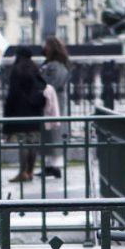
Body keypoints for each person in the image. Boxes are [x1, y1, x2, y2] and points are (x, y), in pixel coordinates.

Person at [2, 49, 51, 184]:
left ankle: (22, 172)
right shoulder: (35, 69)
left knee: (23, 142)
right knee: (33, 142)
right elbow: (43, 86)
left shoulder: (17, 70)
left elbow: (13, 93)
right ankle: (30, 171)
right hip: (35, 111)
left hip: (20, 111)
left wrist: (8, 113)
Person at [39, 37, 76, 179]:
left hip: (54, 104)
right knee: (50, 134)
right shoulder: (53, 64)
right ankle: (50, 166)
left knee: (54, 133)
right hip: (53, 103)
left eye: (46, 46)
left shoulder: (55, 66)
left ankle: (54, 166)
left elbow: (52, 84)